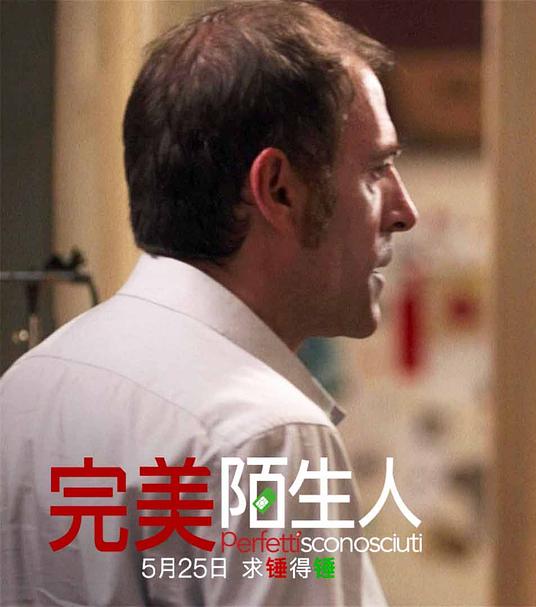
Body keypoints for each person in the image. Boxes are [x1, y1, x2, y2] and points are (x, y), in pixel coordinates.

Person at [0, 2, 417, 605]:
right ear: (279, 190)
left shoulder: (31, 382)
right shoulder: (266, 434)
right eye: (376, 170)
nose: (404, 212)